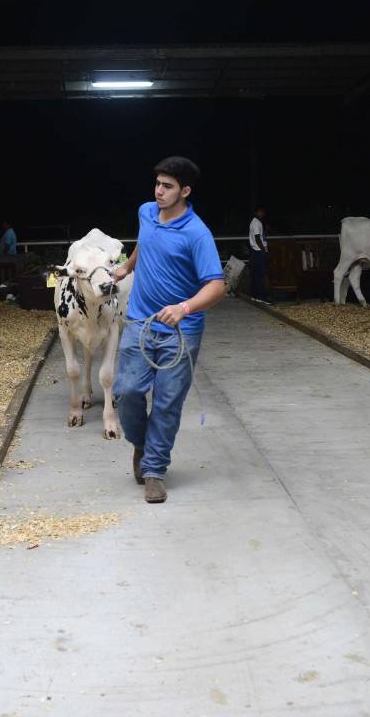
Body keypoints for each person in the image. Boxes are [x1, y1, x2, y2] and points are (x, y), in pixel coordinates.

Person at [112, 156, 225, 504]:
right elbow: (144, 243)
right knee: (126, 392)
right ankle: (142, 445)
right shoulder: (146, 212)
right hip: (140, 323)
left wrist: (184, 307)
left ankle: (154, 471)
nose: (159, 192)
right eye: (158, 184)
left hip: (181, 331)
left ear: (185, 191)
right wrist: (126, 268)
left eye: (168, 187)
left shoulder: (197, 234)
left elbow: (217, 285)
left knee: (166, 403)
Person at [248, 206, 269, 303]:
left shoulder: (257, 222)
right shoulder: (256, 222)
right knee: (260, 274)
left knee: (256, 274)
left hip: (256, 251)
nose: (262, 214)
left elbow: (261, 236)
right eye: (260, 212)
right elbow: (257, 238)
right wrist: (263, 250)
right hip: (257, 251)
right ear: (256, 212)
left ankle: (254, 295)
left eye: (263, 212)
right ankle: (261, 297)